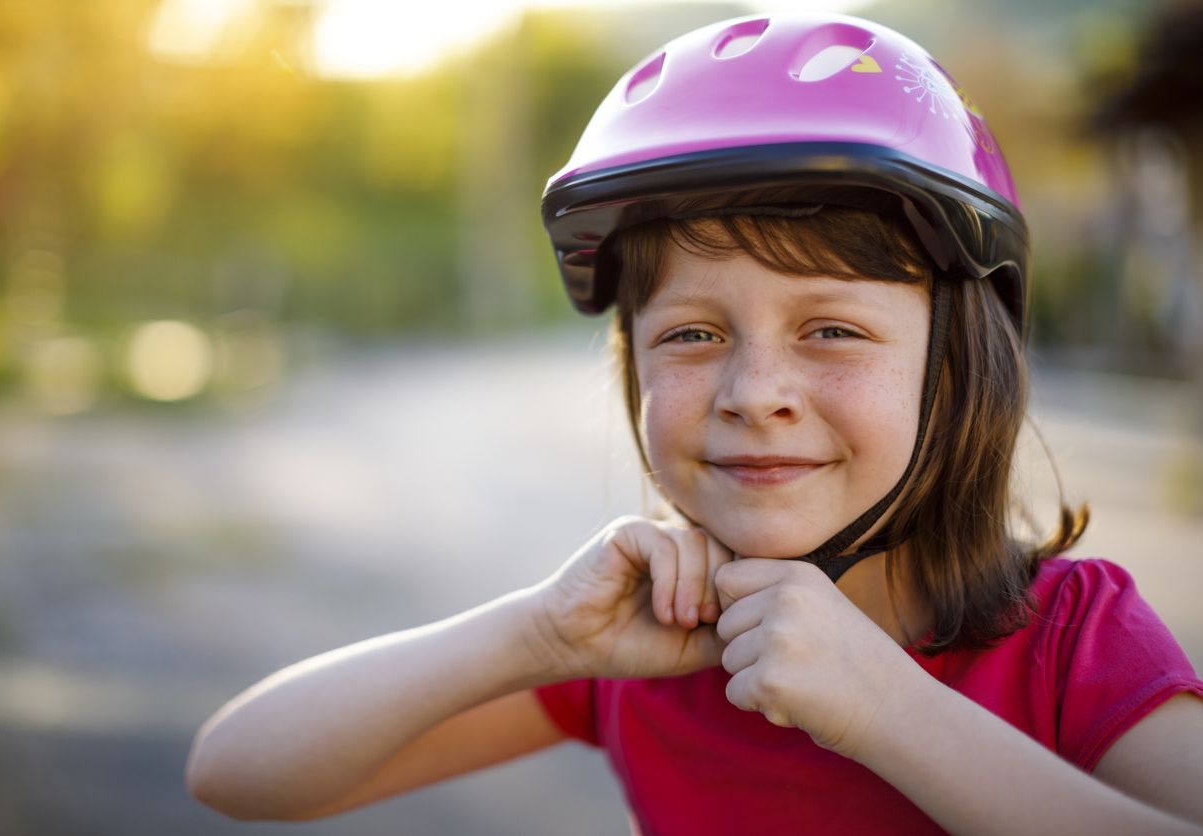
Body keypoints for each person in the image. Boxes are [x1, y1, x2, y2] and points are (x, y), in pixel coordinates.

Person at [185, 13, 1203, 834]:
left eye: (834, 327)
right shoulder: (655, 652)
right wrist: (537, 631)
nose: (754, 390)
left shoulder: (1073, 643)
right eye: (691, 334)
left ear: (961, 362)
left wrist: (888, 707)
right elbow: (238, 769)